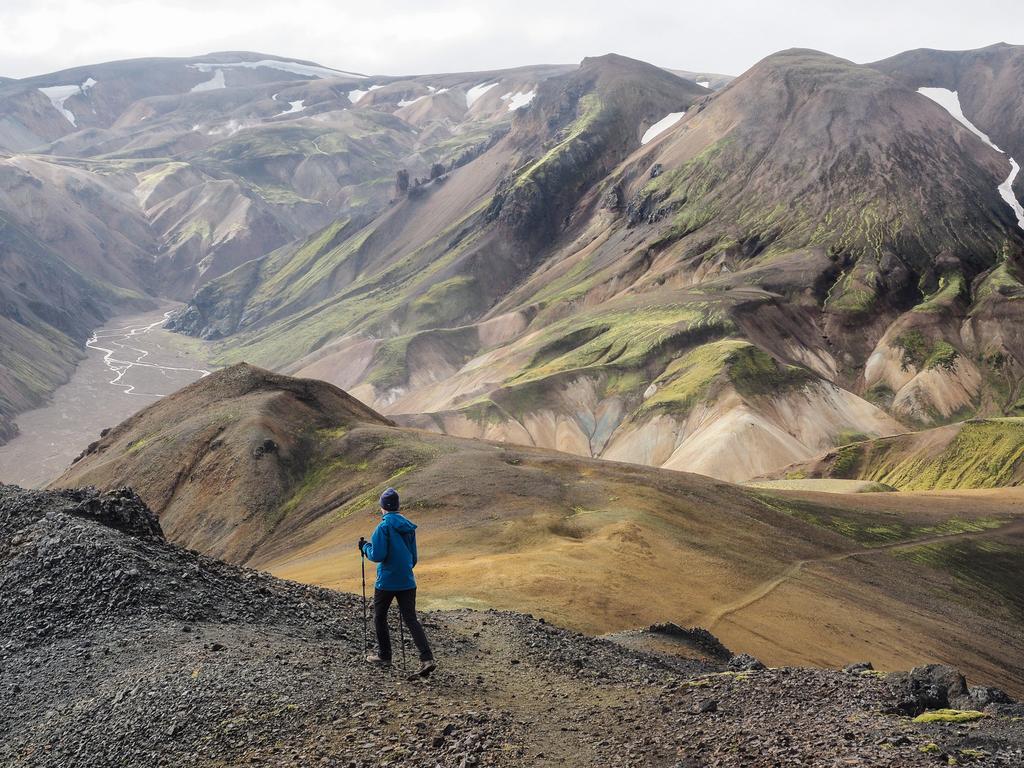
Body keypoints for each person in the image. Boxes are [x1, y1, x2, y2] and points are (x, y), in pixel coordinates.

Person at [359, 487, 436, 676]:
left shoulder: (382, 527)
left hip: (386, 582)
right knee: (410, 619)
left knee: (379, 616)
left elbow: (378, 555)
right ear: (397, 506)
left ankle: (384, 656)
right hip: (407, 581)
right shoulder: (409, 527)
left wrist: (365, 547)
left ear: (383, 507)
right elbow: (414, 558)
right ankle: (427, 658)